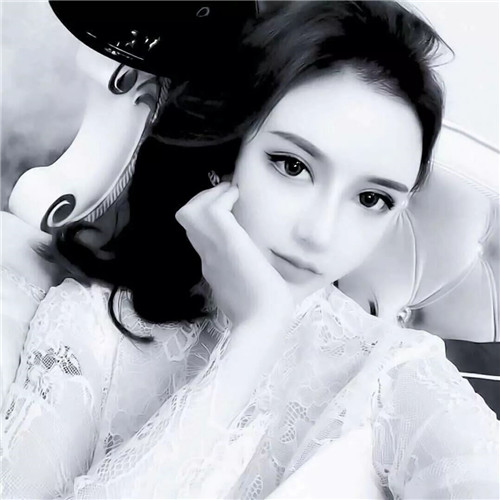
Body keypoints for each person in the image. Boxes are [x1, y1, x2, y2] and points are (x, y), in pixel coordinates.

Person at [1, 1, 498, 499]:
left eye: (372, 199)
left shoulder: (394, 375)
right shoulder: (93, 327)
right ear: (227, 152)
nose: (320, 233)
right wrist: (256, 336)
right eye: (292, 166)